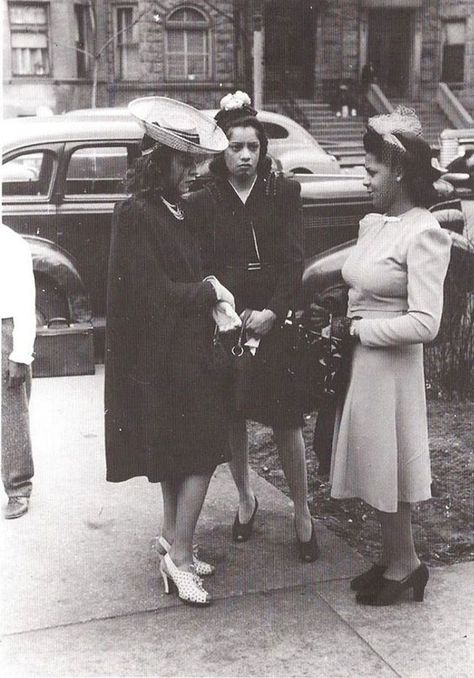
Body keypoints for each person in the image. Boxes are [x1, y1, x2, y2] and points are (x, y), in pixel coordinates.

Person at [105, 96, 238, 607]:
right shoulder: (136, 212)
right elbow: (152, 294)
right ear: (158, 161)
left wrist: (205, 287)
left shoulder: (174, 208)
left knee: (184, 454)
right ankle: (179, 558)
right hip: (163, 357)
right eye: (185, 163)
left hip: (185, 353)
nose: (194, 172)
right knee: (202, 453)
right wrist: (208, 289)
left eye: (195, 162)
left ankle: (171, 539)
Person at [186, 91, 319, 562]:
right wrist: (228, 314)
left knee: (286, 419)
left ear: (264, 149)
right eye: (234, 147)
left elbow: (293, 261)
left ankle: (302, 512)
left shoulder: (283, 193)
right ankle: (246, 499)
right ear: (220, 151)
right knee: (231, 416)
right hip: (229, 325)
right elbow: (201, 264)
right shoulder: (204, 200)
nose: (245, 156)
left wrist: (275, 313)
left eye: (253, 147)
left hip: (271, 322)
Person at [329, 107, 452, 605]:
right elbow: (360, 283)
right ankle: (393, 556)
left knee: (389, 465)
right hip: (365, 364)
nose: (364, 180)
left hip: (392, 368)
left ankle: (407, 565)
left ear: (398, 171)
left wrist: (361, 329)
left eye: (371, 171)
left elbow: (427, 323)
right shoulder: (376, 223)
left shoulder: (423, 231)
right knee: (377, 464)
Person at [1, 223, 36, 519]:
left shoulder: (12, 245)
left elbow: (26, 303)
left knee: (11, 413)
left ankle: (18, 487)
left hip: (5, 331)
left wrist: (20, 354)